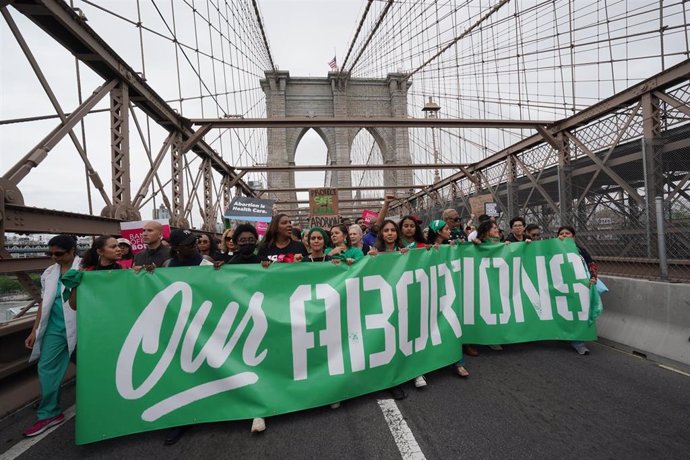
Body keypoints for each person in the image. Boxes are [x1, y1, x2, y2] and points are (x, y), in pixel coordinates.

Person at [23, 235, 81, 437]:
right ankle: (49, 414)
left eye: (59, 253)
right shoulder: (49, 273)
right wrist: (34, 329)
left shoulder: (86, 268)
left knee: (93, 369)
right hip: (55, 330)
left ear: (72, 250)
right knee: (47, 369)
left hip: (83, 328)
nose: (54, 257)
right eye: (51, 253)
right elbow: (44, 304)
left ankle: (103, 407)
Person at [557, 225, 598, 355]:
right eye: (561, 233)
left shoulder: (580, 251)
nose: (564, 235)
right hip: (557, 287)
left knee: (576, 312)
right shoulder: (551, 249)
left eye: (567, 233)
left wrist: (593, 277)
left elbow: (591, 264)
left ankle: (578, 342)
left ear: (573, 237)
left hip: (575, 288)